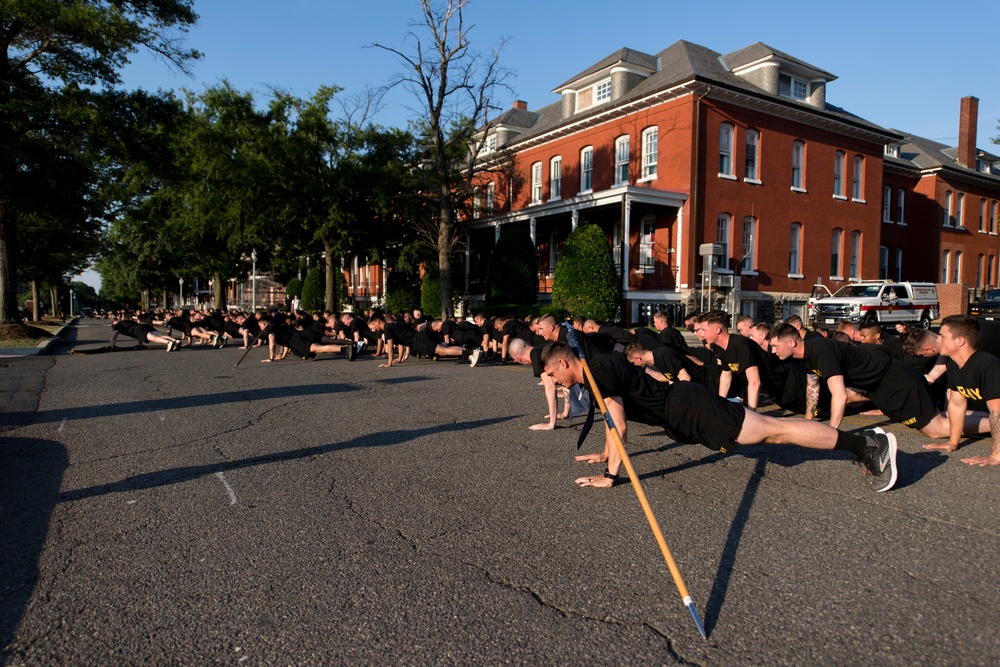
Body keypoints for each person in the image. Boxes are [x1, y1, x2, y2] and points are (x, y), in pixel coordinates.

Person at [540, 342, 898, 492]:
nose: (555, 381)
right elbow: (612, 417)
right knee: (774, 432)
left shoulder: (597, 372)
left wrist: (610, 474)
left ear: (563, 363)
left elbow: (618, 423)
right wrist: (605, 453)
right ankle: (863, 444)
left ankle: (868, 444)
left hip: (689, 408)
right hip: (683, 409)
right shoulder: (596, 367)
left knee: (775, 431)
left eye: (553, 375)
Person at [770, 322, 990, 439]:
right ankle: (992, 420)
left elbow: (840, 394)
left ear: (791, 342)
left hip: (896, 380)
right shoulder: (808, 355)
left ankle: (994, 423)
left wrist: (832, 431)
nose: (773, 351)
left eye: (775, 346)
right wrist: (809, 419)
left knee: (936, 429)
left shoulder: (820, 349)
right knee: (937, 422)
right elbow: (812, 386)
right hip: (881, 387)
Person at [923, 315, 1000, 466]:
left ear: (960, 341)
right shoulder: (954, 365)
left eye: (943, 336)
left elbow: (997, 413)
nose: (938, 340)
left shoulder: (988, 366)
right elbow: (957, 405)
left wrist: (996, 456)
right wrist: (952, 442)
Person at [110, 319, 180, 352]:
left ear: (113, 325)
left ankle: (168, 343)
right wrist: (140, 345)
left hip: (137, 330)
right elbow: (139, 336)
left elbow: (114, 336)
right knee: (159, 336)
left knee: (153, 338)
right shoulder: (126, 321)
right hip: (143, 326)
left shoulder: (117, 326)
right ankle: (175, 341)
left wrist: (112, 347)